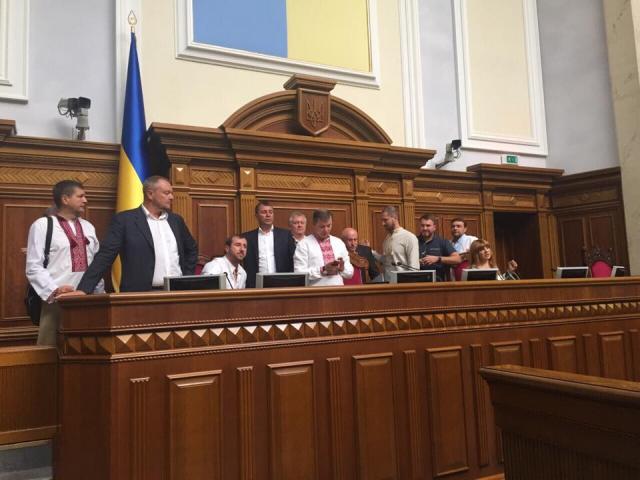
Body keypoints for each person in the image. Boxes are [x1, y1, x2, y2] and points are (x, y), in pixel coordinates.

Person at [69, 176, 198, 294]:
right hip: (139, 295)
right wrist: (83, 289)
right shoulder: (125, 220)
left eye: (171, 193)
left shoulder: (176, 221)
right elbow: (105, 256)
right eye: (166, 193)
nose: (171, 197)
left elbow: (191, 249)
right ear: (150, 194)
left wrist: (186, 277)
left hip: (177, 293)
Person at [26, 180, 104, 345]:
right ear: (65, 199)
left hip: (89, 300)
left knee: (89, 349)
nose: (85, 200)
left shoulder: (88, 227)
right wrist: (55, 290)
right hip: (56, 302)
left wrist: (99, 294)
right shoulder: (42, 226)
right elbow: (34, 267)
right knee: (50, 350)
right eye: (80, 196)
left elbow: (96, 264)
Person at [242, 200, 295, 288]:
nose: (268, 215)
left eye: (270, 212)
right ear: (256, 215)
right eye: (264, 212)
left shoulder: (286, 235)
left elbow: (293, 260)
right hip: (256, 285)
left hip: (282, 284)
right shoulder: (247, 237)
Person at [294, 209, 353, 286]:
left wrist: (342, 269)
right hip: (316, 291)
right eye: (322, 227)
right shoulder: (303, 244)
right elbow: (299, 274)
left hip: (338, 290)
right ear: (314, 224)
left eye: (329, 226)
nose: (326, 230)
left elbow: (350, 273)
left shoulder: (339, 243)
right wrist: (323, 270)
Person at [416, 214, 461, 282]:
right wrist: (416, 262)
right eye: (422, 225)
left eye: (428, 225)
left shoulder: (442, 242)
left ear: (434, 227)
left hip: (438, 282)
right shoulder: (413, 241)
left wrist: (438, 259)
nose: (425, 228)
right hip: (417, 281)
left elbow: (457, 259)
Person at [380, 206, 419, 280]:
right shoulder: (387, 239)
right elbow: (386, 261)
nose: (383, 223)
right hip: (388, 283)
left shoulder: (409, 237)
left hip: (403, 283)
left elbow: (414, 268)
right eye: (382, 220)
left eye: (385, 220)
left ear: (395, 218)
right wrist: (370, 251)